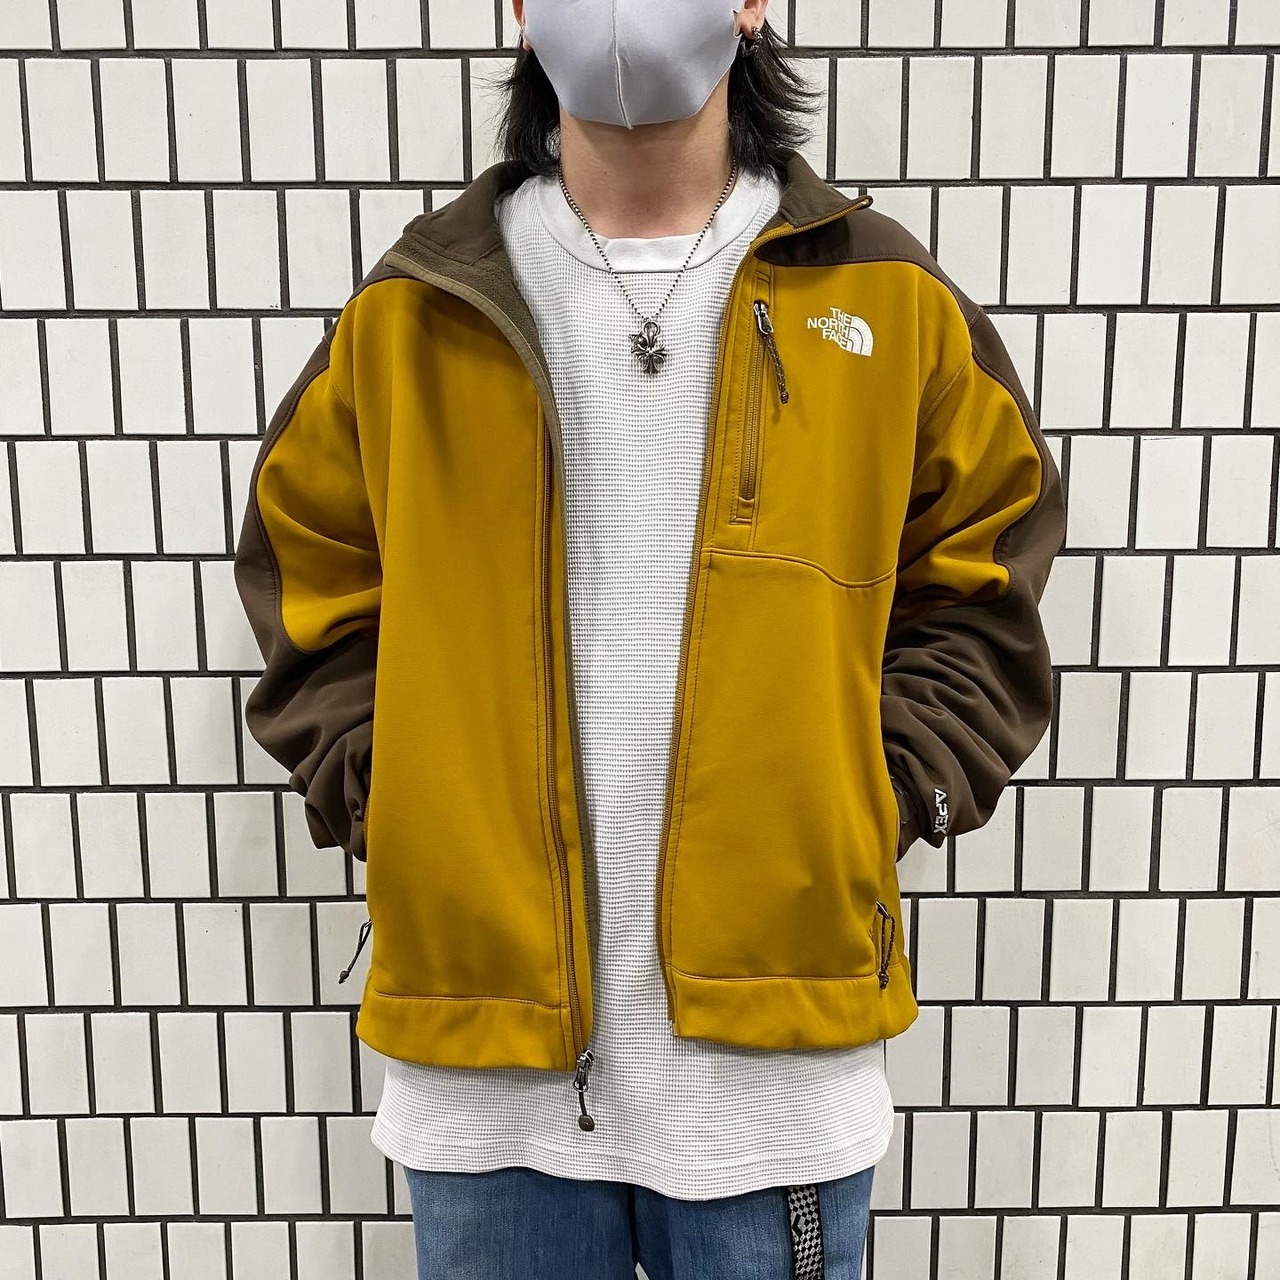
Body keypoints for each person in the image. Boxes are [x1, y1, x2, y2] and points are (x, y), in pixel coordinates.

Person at [233, 0, 1067, 1275]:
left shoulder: (885, 296)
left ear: (752, 3)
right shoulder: (414, 309)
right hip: (483, 1077)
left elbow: (981, 581)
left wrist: (875, 792)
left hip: (773, 1077)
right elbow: (310, 579)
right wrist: (395, 799)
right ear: (520, 11)